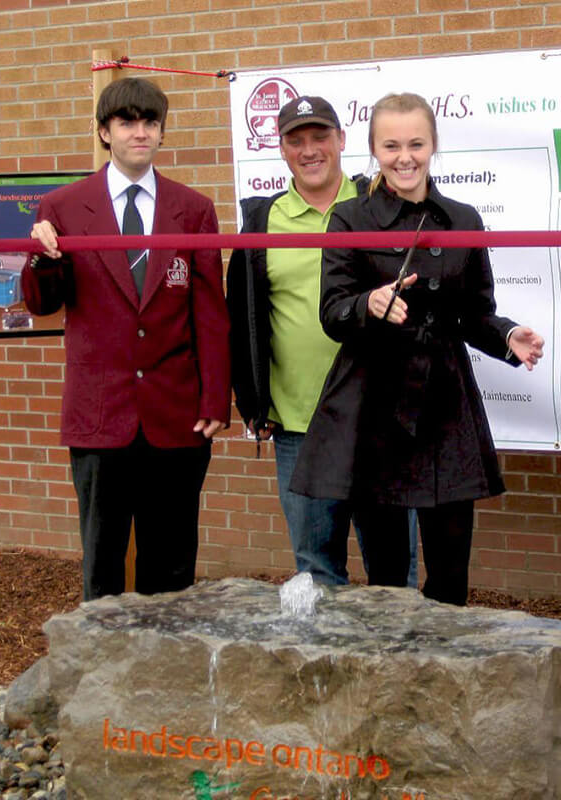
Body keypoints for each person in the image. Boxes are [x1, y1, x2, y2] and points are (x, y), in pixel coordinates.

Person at [288, 92, 544, 607]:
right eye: (391, 145)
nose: (405, 157)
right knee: (385, 576)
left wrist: (508, 336)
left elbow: (476, 313)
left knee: (451, 573)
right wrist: (368, 304)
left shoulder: (463, 219)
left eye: (416, 144)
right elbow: (333, 312)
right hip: (375, 406)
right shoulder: (349, 219)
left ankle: (449, 672)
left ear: (433, 146)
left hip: (446, 406)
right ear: (373, 150)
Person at [22, 77, 230, 601]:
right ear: (104, 132)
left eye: (150, 123)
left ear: (161, 132)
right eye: (127, 122)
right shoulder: (63, 207)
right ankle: (100, 672)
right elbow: (43, 303)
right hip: (100, 415)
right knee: (103, 562)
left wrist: (214, 398)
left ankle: (170, 665)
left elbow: (209, 313)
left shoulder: (194, 209)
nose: (141, 132)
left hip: (176, 413)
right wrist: (41, 258)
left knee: (173, 559)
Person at [227, 94, 415, 585]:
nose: (310, 150)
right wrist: (252, 400)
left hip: (380, 420)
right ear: (283, 151)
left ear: (342, 141)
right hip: (299, 423)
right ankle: (328, 664)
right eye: (296, 141)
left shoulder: (379, 208)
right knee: (316, 571)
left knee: (394, 573)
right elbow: (242, 314)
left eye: (320, 137)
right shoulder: (261, 221)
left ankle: (393, 662)